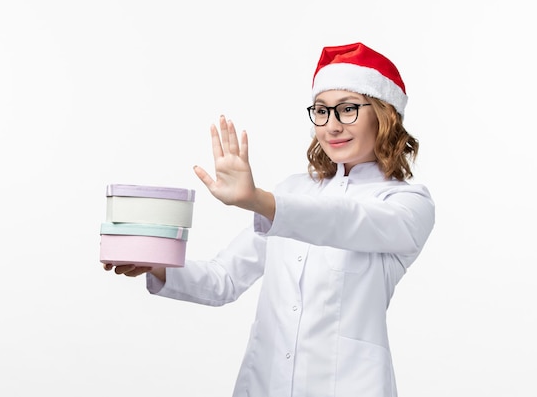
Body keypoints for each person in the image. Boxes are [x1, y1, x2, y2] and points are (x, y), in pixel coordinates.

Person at [104, 42, 435, 397]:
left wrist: (260, 201)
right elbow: (225, 278)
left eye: (348, 109)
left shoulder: (406, 204)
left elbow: (347, 221)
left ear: (384, 116)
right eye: (321, 111)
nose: (332, 126)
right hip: (264, 384)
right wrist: (157, 265)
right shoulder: (292, 190)